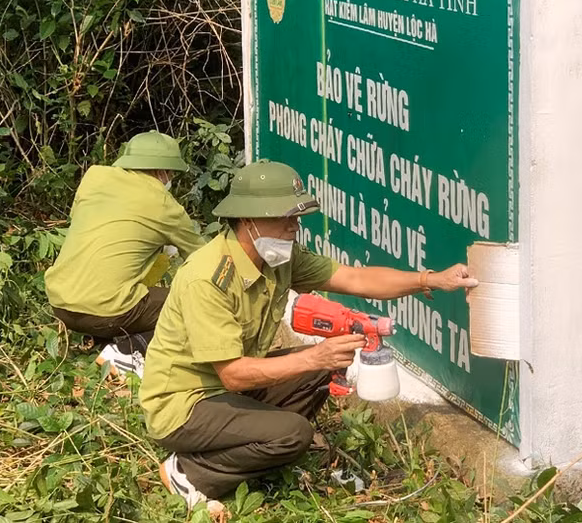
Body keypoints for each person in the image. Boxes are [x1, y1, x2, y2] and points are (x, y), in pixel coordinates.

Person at [138, 159, 478, 515]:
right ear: (249, 219)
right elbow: (233, 374)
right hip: (183, 404)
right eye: (285, 216)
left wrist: (430, 280)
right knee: (294, 433)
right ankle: (190, 472)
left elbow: (356, 280)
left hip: (225, 392)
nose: (294, 226)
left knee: (317, 374)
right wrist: (316, 356)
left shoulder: (278, 259)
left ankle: (237, 445)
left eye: (297, 217)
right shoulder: (208, 279)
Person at [45, 131, 205, 378]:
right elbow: (204, 259)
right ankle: (130, 351)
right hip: (106, 312)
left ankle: (99, 340)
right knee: (196, 304)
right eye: (171, 173)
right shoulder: (164, 204)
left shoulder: (94, 178)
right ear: (163, 171)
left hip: (60, 304)